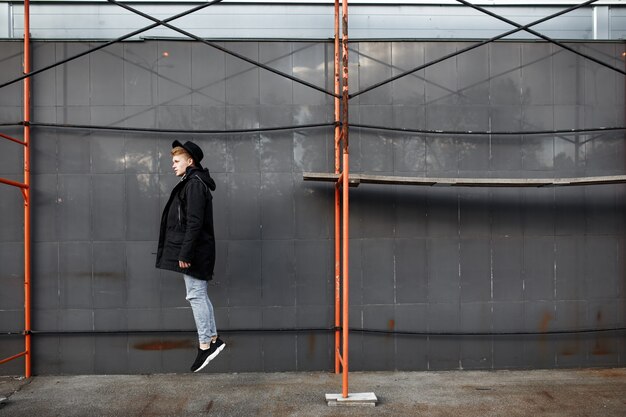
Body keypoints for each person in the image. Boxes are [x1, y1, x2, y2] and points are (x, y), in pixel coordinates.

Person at [156, 139, 225, 372]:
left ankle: (205, 345)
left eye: (176, 161)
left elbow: (194, 223)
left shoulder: (194, 184)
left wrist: (185, 253)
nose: (173, 165)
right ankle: (214, 339)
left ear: (190, 161)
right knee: (200, 295)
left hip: (195, 252)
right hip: (198, 250)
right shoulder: (193, 182)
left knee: (195, 296)